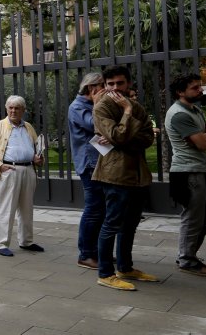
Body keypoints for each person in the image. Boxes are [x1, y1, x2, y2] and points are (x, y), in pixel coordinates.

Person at [93, 65, 158, 291]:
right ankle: (105, 273)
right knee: (111, 224)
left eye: (119, 83)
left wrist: (121, 136)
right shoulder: (102, 108)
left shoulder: (136, 106)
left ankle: (125, 267)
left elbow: (149, 137)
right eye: (110, 84)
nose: (115, 88)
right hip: (114, 174)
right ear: (104, 85)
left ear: (128, 83)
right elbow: (117, 135)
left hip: (138, 174)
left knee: (130, 224)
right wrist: (127, 114)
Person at [165, 72, 206, 277]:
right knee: (193, 218)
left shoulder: (195, 110)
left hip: (202, 170)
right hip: (187, 172)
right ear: (180, 92)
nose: (200, 90)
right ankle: (187, 260)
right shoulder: (179, 114)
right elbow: (205, 143)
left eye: (200, 86)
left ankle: (190, 255)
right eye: (194, 87)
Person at [0, 95, 45, 257]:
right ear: (6, 109)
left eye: (17, 108)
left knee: (27, 208)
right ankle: (1, 243)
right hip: (10, 170)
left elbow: (34, 148)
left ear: (23, 110)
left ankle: (26, 241)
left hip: (28, 170)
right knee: (6, 208)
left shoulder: (28, 127)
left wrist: (37, 158)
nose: (13, 111)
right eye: (10, 107)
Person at [68, 72, 106, 269]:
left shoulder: (89, 106)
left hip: (98, 161)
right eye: (104, 88)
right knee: (93, 209)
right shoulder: (77, 107)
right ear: (92, 88)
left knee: (101, 210)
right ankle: (86, 254)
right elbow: (95, 125)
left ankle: (98, 251)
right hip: (89, 164)